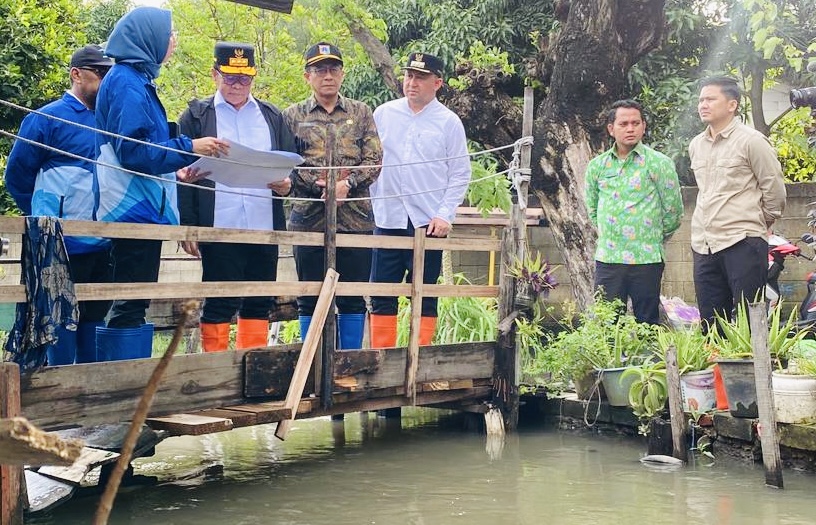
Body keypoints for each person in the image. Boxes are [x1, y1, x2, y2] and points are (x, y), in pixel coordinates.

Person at [95, 7, 228, 358]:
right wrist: (190, 147)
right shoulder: (126, 82)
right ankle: (120, 399)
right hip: (131, 208)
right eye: (168, 35)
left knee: (133, 299)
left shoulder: (136, 81)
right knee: (129, 300)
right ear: (147, 39)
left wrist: (175, 169)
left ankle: (127, 393)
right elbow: (135, 152)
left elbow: (147, 151)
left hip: (140, 204)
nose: (173, 41)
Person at [177, 42, 295, 351]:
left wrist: (286, 184)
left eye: (244, 78)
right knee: (220, 300)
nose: (237, 85)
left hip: (262, 222)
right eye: (229, 77)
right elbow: (179, 172)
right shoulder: (196, 116)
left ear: (253, 77)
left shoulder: (271, 116)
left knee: (259, 301)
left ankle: (252, 372)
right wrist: (188, 224)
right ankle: (214, 375)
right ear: (215, 74)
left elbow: (287, 166)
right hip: (219, 223)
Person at [5, 44, 115, 364]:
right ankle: (61, 405)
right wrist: (46, 217)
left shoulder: (109, 121)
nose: (106, 82)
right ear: (76, 74)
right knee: (57, 323)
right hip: (59, 244)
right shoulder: (46, 119)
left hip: (103, 243)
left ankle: (90, 402)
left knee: (95, 319)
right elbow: (18, 176)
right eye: (100, 74)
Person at [283, 42, 381, 351]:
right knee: (309, 295)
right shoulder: (292, 116)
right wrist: (319, 187)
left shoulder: (361, 112)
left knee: (352, 296)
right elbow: (285, 164)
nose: (328, 76)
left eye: (334, 69)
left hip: (355, 219)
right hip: (308, 218)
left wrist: (347, 184)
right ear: (306, 76)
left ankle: (347, 364)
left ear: (342, 74)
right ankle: (309, 364)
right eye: (320, 70)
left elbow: (375, 159)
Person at [369, 52, 471, 348]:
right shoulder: (383, 114)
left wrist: (445, 214)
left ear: (437, 82)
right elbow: (369, 163)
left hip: (428, 222)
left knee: (425, 295)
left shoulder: (449, 122)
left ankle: (421, 360)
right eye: (409, 76)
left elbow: (460, 173)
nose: (412, 83)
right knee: (381, 294)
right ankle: (381, 360)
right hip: (388, 217)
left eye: (420, 78)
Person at [689, 76, 786, 331]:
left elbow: (774, 189)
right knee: (711, 324)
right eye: (701, 100)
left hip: (742, 241)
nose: (703, 105)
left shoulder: (751, 141)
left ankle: (754, 372)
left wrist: (757, 222)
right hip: (704, 244)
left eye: (710, 99)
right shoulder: (696, 145)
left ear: (731, 105)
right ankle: (718, 372)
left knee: (749, 321)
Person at [584, 99, 683, 325]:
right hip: (609, 257)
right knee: (606, 323)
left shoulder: (659, 163)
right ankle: (609, 362)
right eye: (624, 123)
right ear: (611, 129)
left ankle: (647, 361)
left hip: (646, 257)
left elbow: (674, 211)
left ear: (644, 126)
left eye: (636, 123)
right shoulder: (597, 166)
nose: (630, 129)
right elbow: (592, 207)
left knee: (647, 323)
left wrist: (652, 235)